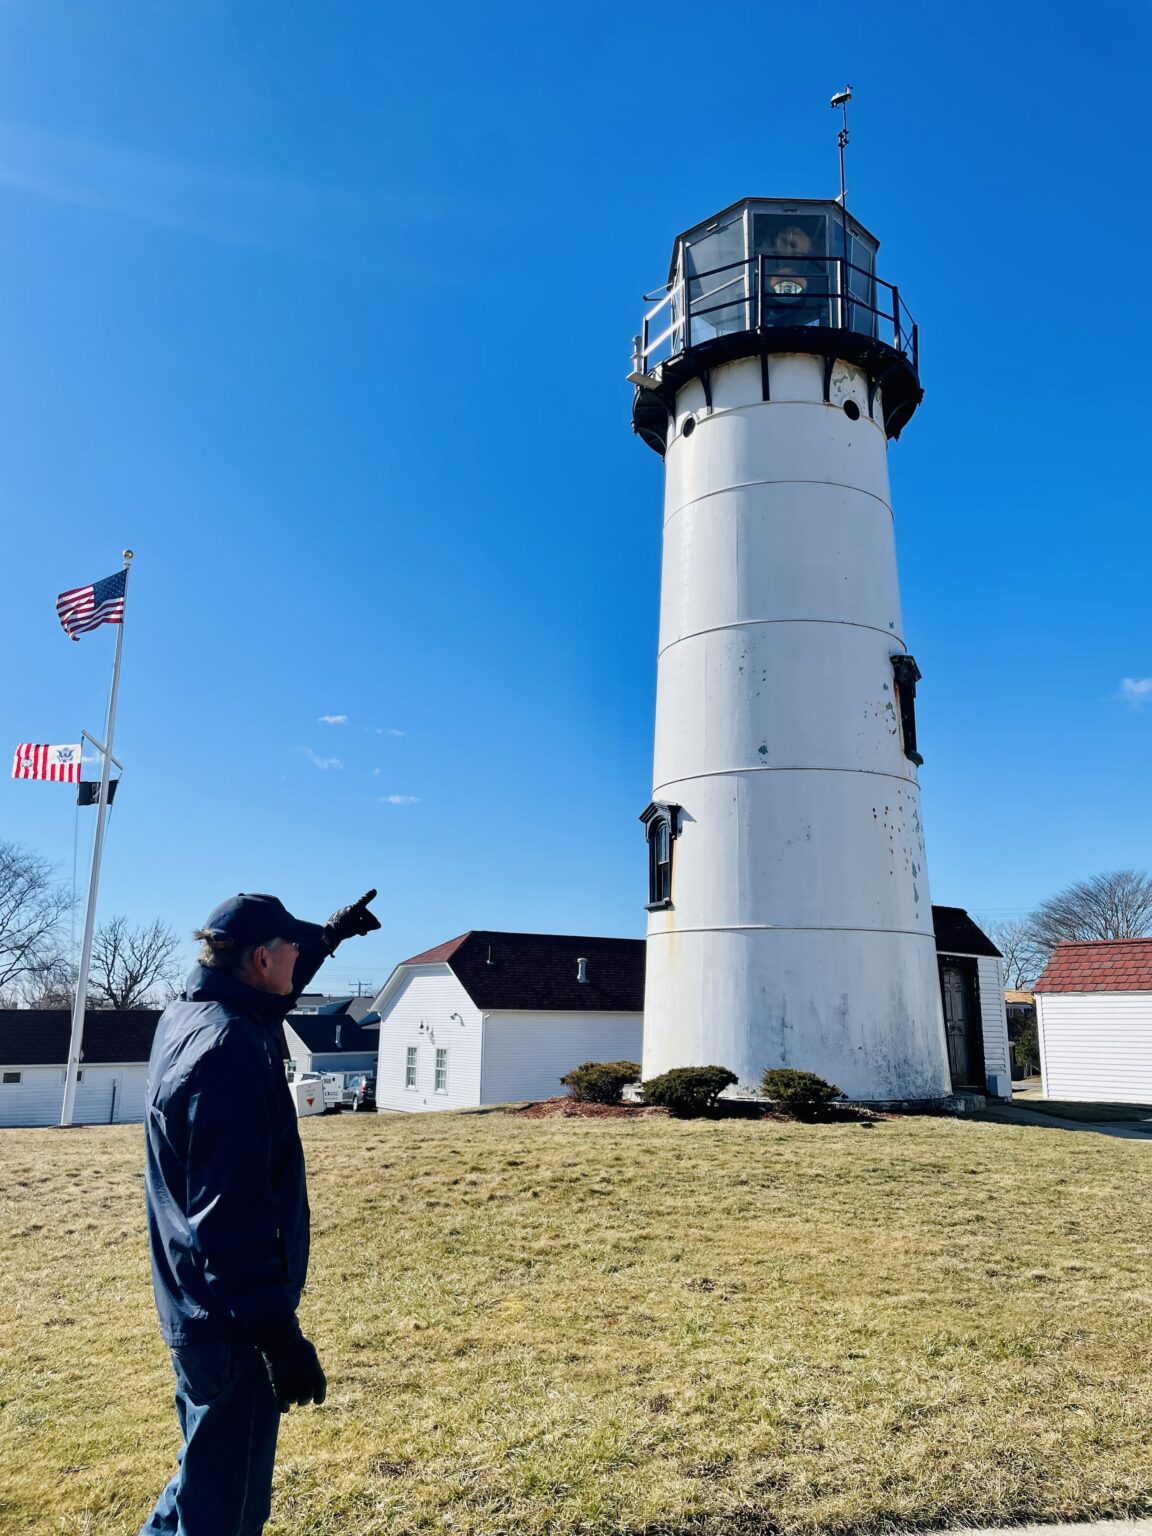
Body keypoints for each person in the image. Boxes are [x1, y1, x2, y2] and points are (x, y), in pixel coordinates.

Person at [139, 889, 381, 1536]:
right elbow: (230, 1220)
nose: (300, 954)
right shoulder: (228, 1053)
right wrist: (281, 1340)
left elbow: (262, 998)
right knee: (224, 1514)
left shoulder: (192, 1016)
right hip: (233, 1326)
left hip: (196, 1309)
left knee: (202, 1483)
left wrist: (329, 938)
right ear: (260, 959)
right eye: (291, 947)